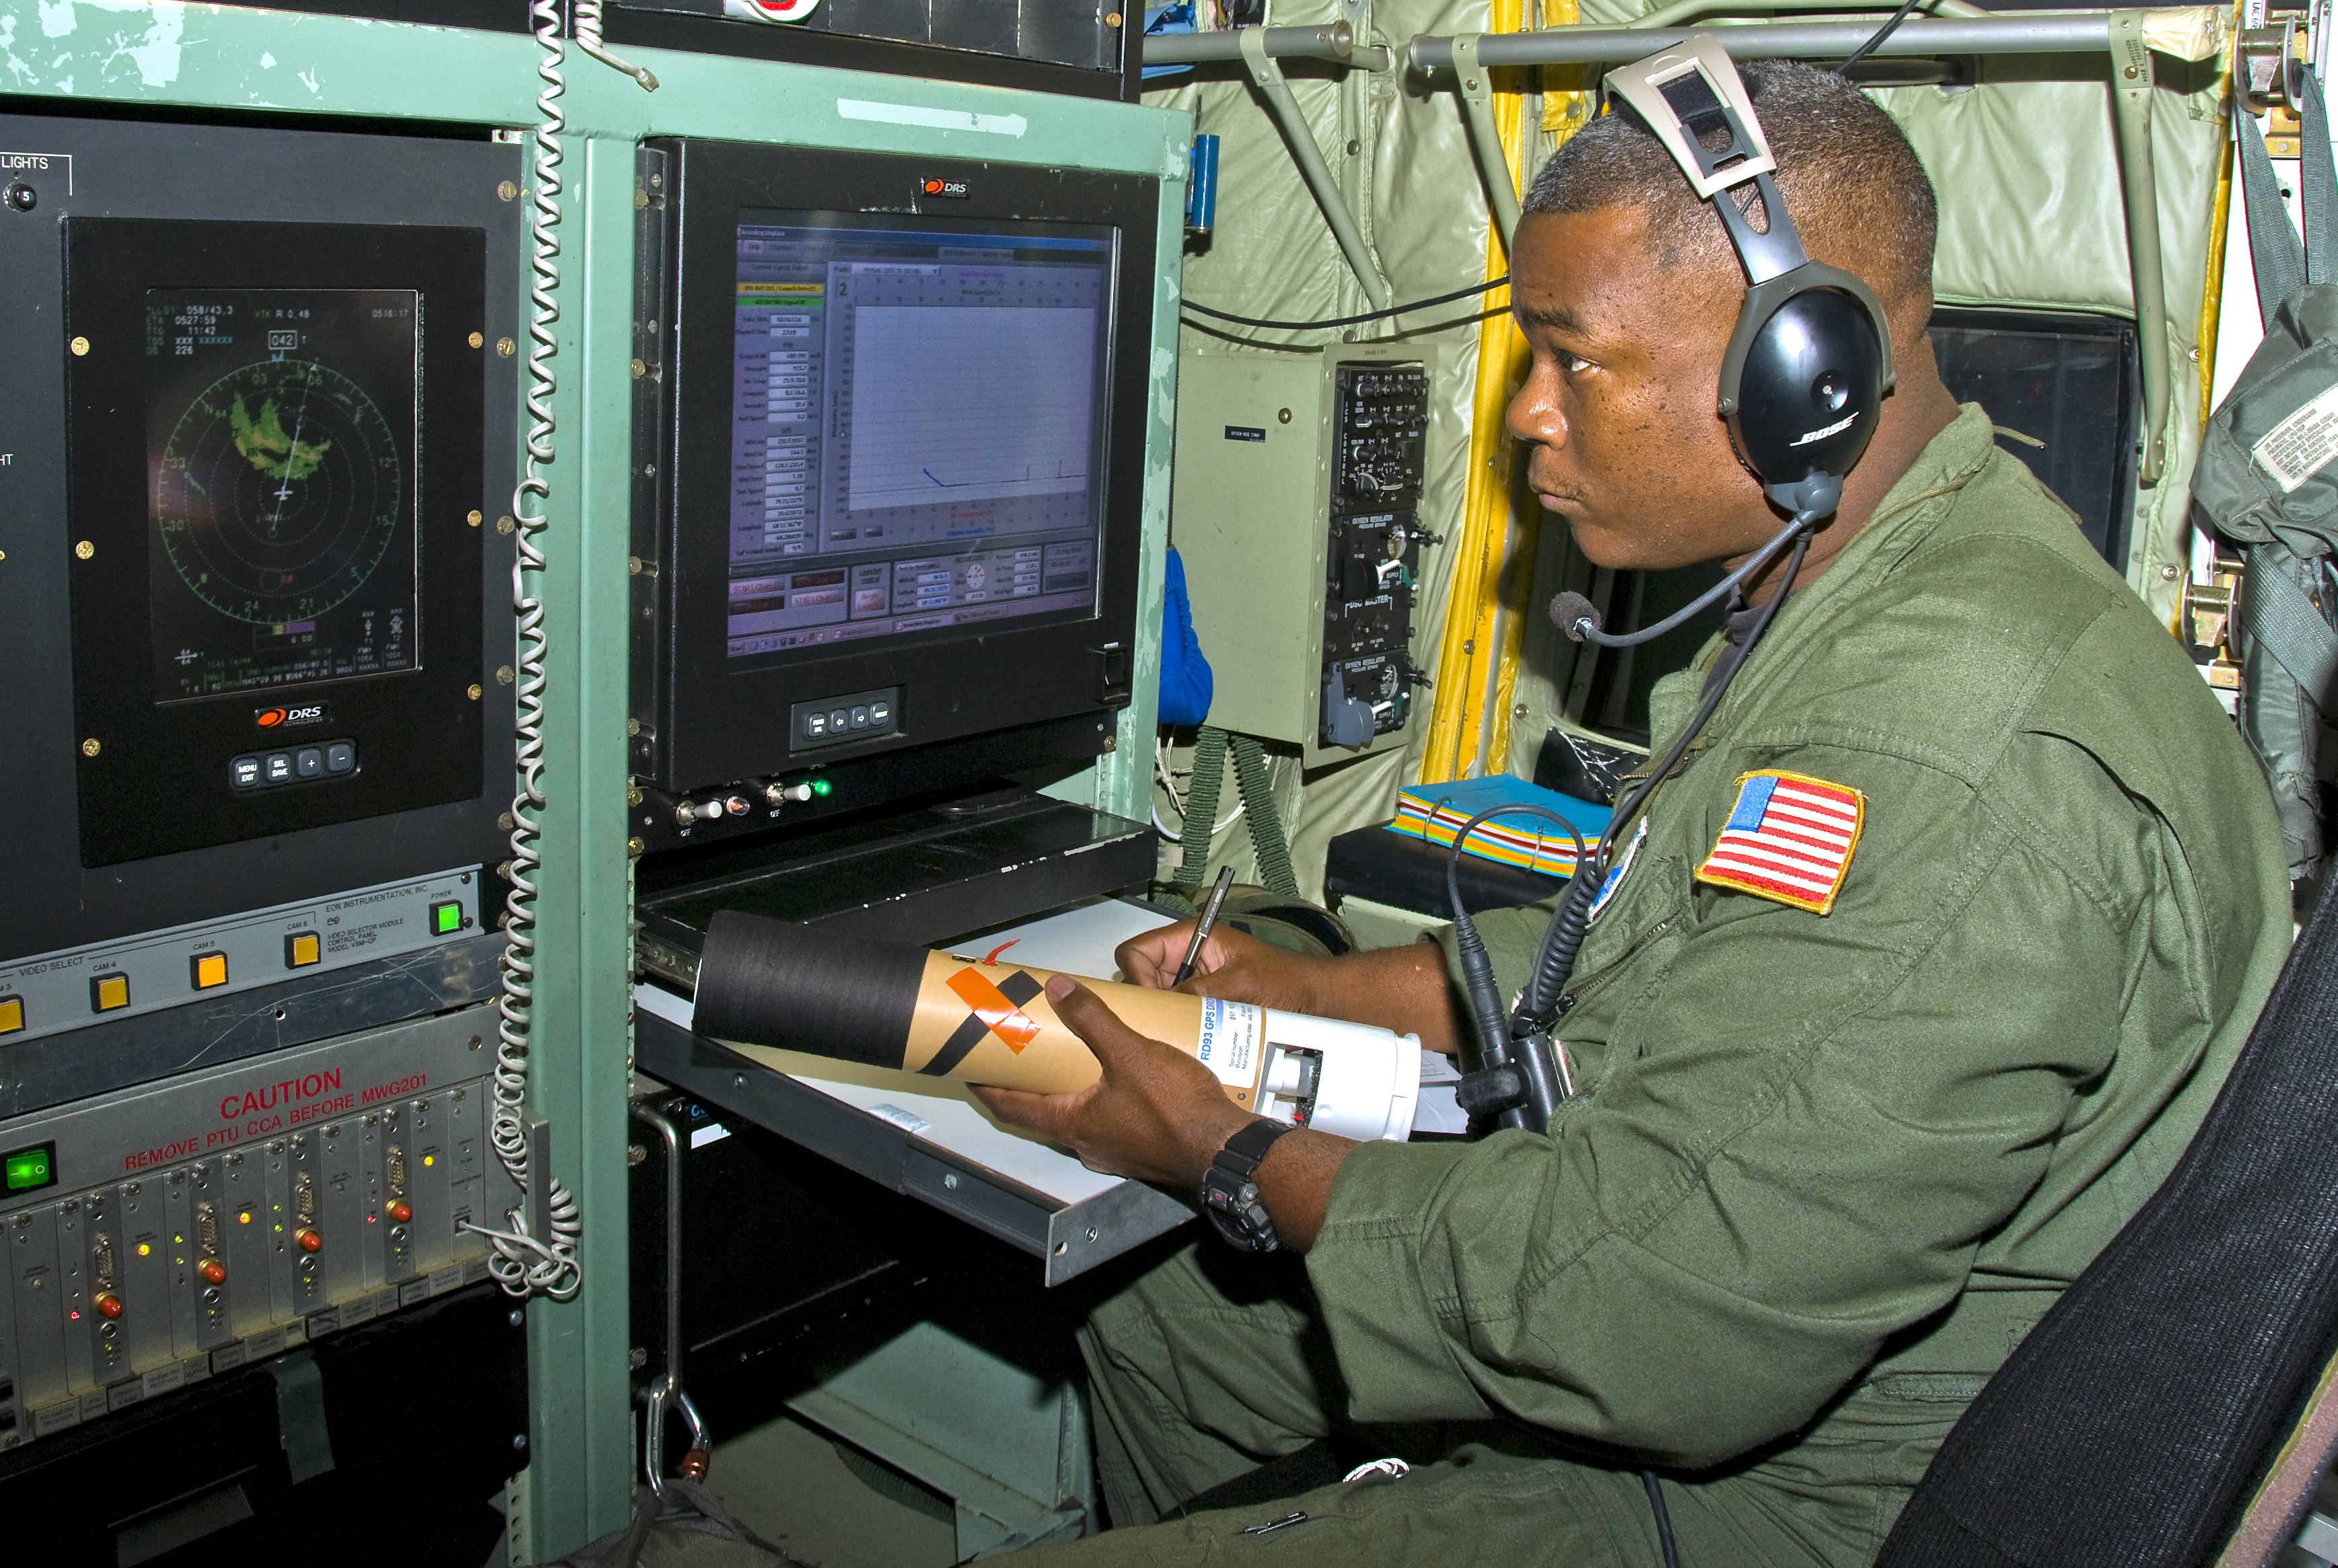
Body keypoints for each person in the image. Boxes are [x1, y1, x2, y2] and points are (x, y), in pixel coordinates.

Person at [977, 59, 2294, 1567]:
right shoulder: (1894, 583)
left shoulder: (1949, 743)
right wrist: (1306, 984)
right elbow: (1668, 951)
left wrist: (1223, 1150)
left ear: (1803, 368)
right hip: (1713, 1360)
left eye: (1570, 357)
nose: (1528, 419)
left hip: (1809, 1503)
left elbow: (1646, 1315)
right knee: (1155, 1304)